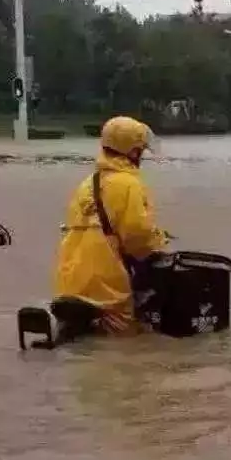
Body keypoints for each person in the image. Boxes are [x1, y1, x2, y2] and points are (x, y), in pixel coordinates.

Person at [54, 116, 169, 334]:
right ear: (133, 152)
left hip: (68, 281)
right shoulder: (129, 184)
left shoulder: (87, 183)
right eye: (141, 150)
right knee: (126, 344)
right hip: (106, 287)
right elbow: (138, 238)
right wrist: (160, 244)